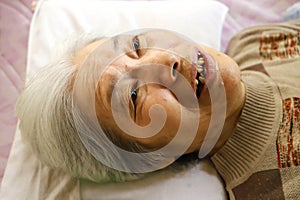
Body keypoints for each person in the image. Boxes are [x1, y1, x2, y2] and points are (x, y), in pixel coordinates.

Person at [15, 18, 300, 199]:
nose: (166, 58)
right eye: (134, 95)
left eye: (136, 46)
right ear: (153, 157)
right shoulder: (275, 190)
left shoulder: (257, 40)